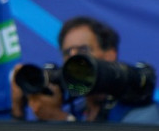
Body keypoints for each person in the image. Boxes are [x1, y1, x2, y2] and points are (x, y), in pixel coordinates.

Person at [12, 16, 159, 124]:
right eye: (67, 53)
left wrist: (61, 120)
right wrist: (18, 110)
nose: (73, 58)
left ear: (110, 55)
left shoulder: (141, 115)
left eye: (83, 50)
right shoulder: (73, 110)